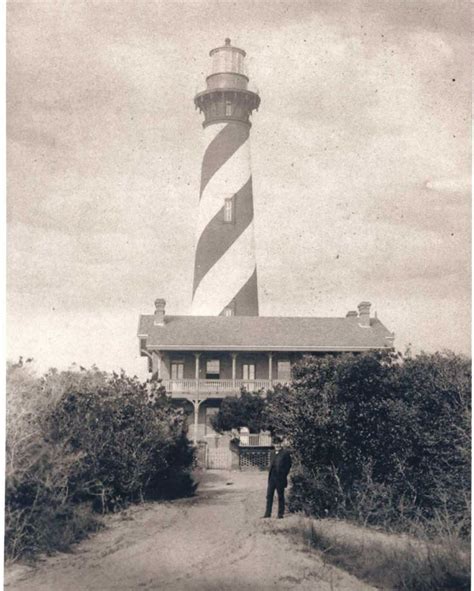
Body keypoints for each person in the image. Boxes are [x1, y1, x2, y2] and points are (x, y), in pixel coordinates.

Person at [263, 436, 292, 519]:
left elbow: (289, 465)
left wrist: (284, 474)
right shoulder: (271, 453)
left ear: (281, 443)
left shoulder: (285, 453)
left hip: (280, 478)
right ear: (273, 444)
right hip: (272, 477)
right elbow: (271, 465)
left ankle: (280, 514)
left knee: (280, 496)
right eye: (275, 444)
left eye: (278, 443)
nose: (277, 445)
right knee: (269, 495)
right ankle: (267, 513)